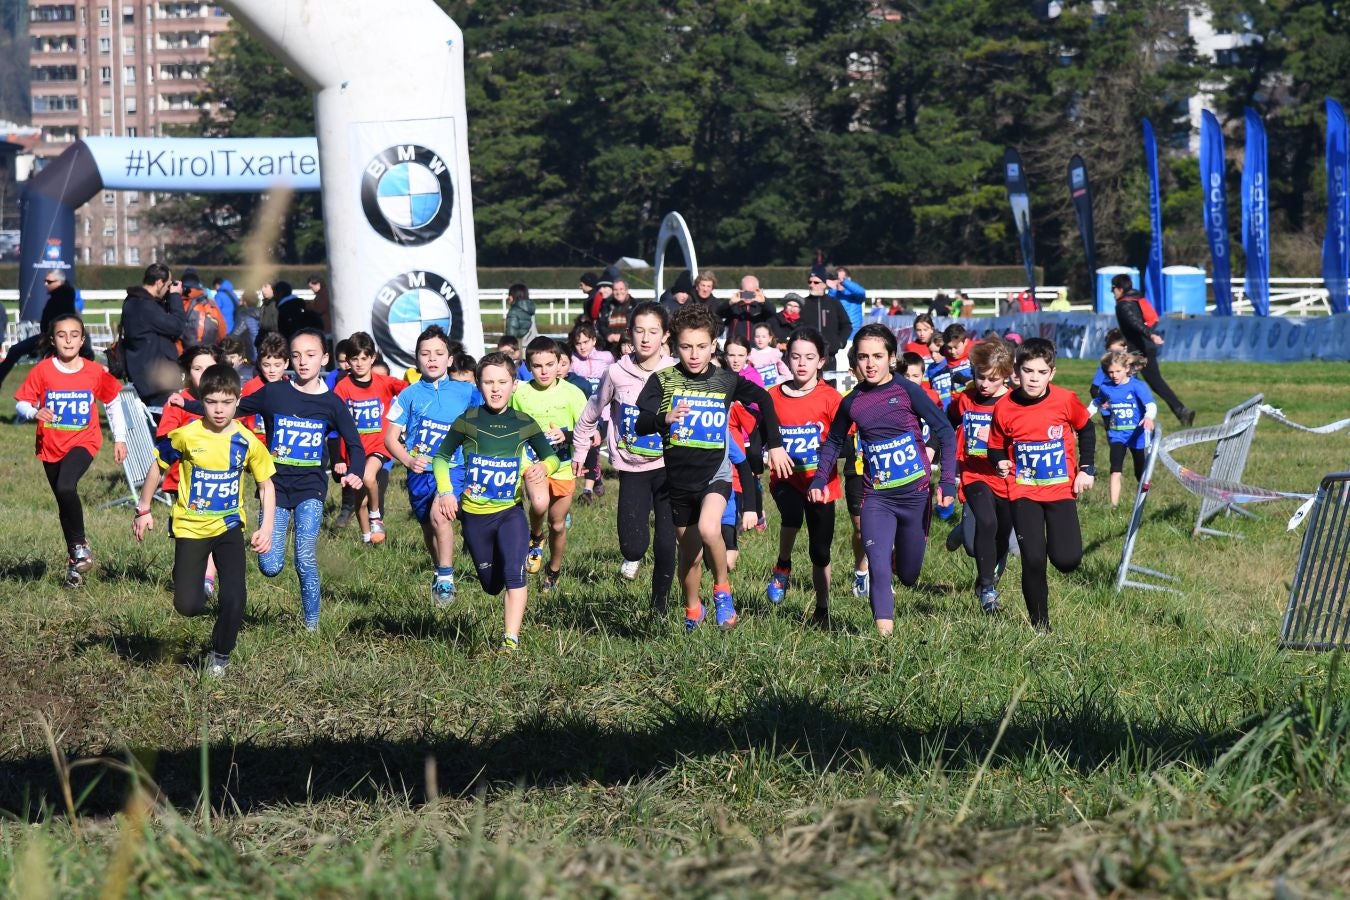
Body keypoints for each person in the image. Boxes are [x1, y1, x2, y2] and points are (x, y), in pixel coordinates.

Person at [635, 303, 793, 632]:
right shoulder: (662, 380)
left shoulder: (725, 380)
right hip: (678, 481)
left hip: (714, 475)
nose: (694, 354)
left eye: (702, 347)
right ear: (673, 346)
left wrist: (774, 443)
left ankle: (722, 590)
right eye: (686, 347)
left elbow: (764, 399)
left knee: (710, 529)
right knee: (689, 556)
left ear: (713, 345)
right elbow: (640, 424)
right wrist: (664, 419)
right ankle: (693, 609)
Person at [810, 324, 956, 635]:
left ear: (891, 357)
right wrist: (819, 479)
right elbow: (834, 442)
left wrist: (947, 483)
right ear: (855, 361)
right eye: (863, 357)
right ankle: (884, 643)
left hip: (916, 496)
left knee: (908, 574)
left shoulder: (907, 390)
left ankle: (899, 554)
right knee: (877, 565)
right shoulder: (851, 401)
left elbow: (944, 430)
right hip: (876, 497)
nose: (870, 363)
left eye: (878, 356)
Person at [133, 364, 276, 677]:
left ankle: (220, 655)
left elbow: (266, 484)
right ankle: (196, 585)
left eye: (227, 402)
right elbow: (157, 467)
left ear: (238, 401)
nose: (220, 409)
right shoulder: (185, 436)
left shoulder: (247, 440)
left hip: (228, 527)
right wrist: (143, 509)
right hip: (190, 528)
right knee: (188, 605)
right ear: (201, 400)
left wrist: (266, 528)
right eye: (212, 402)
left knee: (235, 597)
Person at [433, 352, 561, 653]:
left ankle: (510, 640)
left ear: (514, 385)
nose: (495, 388)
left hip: (510, 513)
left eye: (502, 382)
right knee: (491, 585)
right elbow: (440, 457)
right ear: (478, 385)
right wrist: (446, 490)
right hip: (475, 518)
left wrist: (547, 467)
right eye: (488, 382)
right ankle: (505, 562)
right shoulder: (468, 421)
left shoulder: (524, 423)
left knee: (514, 575)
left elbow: (552, 456)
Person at [571, 302, 676, 611]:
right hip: (632, 467)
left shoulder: (675, 371)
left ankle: (660, 606)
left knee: (667, 542)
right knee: (633, 545)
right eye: (639, 331)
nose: (646, 338)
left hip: (670, 466)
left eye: (653, 332)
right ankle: (635, 558)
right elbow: (591, 413)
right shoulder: (616, 373)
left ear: (665, 335)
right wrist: (579, 448)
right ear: (630, 334)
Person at [987, 337, 1096, 634]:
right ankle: (1041, 627)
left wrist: (1086, 468)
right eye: (1028, 371)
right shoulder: (1004, 408)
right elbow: (994, 447)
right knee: (1033, 559)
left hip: (1060, 491)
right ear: (1015, 372)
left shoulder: (1064, 400)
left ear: (1052, 373)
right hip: (1023, 491)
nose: (1034, 378)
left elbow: (1087, 428)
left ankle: (1059, 547)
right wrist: (1000, 462)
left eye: (1041, 372)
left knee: (1067, 559)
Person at [15, 313, 128, 587]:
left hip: (83, 441)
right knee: (64, 503)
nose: (68, 340)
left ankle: (79, 545)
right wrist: (34, 411)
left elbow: (113, 401)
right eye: (62, 335)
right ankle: (75, 566)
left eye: (74, 335)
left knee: (66, 487)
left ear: (82, 339)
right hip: (50, 445)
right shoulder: (43, 370)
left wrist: (120, 438)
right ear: (52, 340)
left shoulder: (93, 371)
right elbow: (21, 402)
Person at [384, 325, 482, 604]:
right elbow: (390, 438)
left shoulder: (467, 392)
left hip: (454, 468)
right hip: (419, 473)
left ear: (450, 359)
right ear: (416, 359)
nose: (432, 358)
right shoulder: (408, 395)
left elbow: (488, 416)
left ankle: (446, 579)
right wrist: (407, 459)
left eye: (439, 353)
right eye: (425, 353)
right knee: (429, 527)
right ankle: (439, 568)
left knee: (441, 514)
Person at [765, 328, 842, 626]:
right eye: (795, 356)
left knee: (820, 551)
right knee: (792, 514)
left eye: (809, 357)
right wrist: (771, 449)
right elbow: (760, 436)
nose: (801, 363)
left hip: (821, 485)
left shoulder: (832, 398)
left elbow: (844, 441)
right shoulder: (772, 396)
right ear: (786, 358)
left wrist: (825, 459)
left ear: (821, 361)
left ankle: (822, 609)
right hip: (785, 480)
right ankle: (783, 565)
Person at [511, 337, 588, 594]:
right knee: (539, 503)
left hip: (563, 465)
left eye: (549, 364)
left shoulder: (572, 393)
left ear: (560, 364)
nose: (544, 371)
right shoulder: (520, 393)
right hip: (532, 462)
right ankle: (535, 536)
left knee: (557, 523)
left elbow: (586, 428)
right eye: (537, 366)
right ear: (527, 367)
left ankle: (554, 570)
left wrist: (566, 436)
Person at [947, 339, 1014, 614]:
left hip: (1008, 479)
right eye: (979, 377)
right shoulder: (966, 399)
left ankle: (987, 576)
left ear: (1006, 376)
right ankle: (988, 590)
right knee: (986, 524)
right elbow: (946, 421)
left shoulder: (1014, 401)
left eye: (992, 379)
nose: (984, 384)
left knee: (1001, 534)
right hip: (975, 474)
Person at [333, 332, 407, 545]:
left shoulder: (384, 382)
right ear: (347, 362)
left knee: (368, 477)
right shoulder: (343, 387)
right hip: (354, 449)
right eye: (354, 359)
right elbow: (334, 421)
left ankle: (376, 516)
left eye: (364, 358)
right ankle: (366, 536)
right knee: (359, 498)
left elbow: (411, 392)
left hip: (379, 445)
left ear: (373, 358)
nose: (359, 364)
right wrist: (338, 456)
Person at [1111, 274, 1195, 427]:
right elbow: (1150, 319)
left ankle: (1128, 418)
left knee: (1123, 382)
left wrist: (1150, 335)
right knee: (1155, 383)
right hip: (1145, 347)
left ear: (1120, 289)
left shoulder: (1123, 305)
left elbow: (1135, 323)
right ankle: (1181, 411)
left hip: (1136, 350)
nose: (1112, 293)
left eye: (1113, 289)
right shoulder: (1138, 298)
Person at [1087, 348, 1155, 508]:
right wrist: (1084, 415)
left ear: (1126, 368)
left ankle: (1143, 502)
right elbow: (1096, 402)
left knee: (1140, 471)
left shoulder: (1137, 386)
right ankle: (1113, 505)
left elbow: (1150, 405)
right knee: (1115, 469)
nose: (1114, 375)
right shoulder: (1106, 387)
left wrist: (1148, 417)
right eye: (1110, 372)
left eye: (1118, 371)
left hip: (1138, 435)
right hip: (1117, 434)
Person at [0, 270, 91, 390]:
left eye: (49, 281)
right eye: (45, 281)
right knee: (16, 350)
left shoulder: (63, 297)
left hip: (53, 338)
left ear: (60, 282)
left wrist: (48, 338)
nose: (46, 284)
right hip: (48, 336)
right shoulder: (58, 296)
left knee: (16, 350)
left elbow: (60, 321)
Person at [120, 264, 187, 407]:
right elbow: (177, 326)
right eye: (168, 284)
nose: (169, 288)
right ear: (159, 283)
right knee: (167, 422)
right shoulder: (146, 306)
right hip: (157, 380)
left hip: (142, 375)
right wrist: (175, 296)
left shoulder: (131, 301)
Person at [799, 267, 851, 369]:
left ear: (824, 284)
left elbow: (846, 325)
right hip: (807, 359)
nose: (811, 285)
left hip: (829, 358)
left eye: (816, 282)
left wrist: (839, 343)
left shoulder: (834, 303)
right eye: (810, 282)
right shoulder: (803, 303)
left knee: (828, 385)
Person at [715, 274, 776, 345]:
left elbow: (773, 313)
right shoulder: (734, 306)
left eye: (751, 292)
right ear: (740, 290)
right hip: (736, 346)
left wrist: (764, 302)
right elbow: (718, 313)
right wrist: (730, 303)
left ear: (757, 291)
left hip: (756, 347)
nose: (748, 295)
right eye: (745, 292)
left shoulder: (762, 307)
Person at [826, 265, 867, 339]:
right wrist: (832, 288)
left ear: (848, 279)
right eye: (837, 278)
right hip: (836, 331)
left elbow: (861, 292)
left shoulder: (854, 295)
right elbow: (828, 304)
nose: (839, 281)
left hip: (853, 331)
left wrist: (844, 282)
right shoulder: (833, 293)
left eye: (842, 279)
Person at [598, 279, 634, 353]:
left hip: (629, 348)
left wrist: (622, 337)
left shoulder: (635, 305)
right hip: (609, 348)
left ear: (627, 290)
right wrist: (607, 335)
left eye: (621, 289)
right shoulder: (606, 305)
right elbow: (600, 324)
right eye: (615, 290)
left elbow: (636, 326)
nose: (618, 292)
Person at [749, 323, 789, 387]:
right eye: (757, 336)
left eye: (763, 336)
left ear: (770, 338)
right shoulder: (751, 353)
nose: (760, 339)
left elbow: (782, 367)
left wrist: (790, 378)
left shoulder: (774, 352)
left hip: (775, 385)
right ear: (753, 338)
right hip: (759, 387)